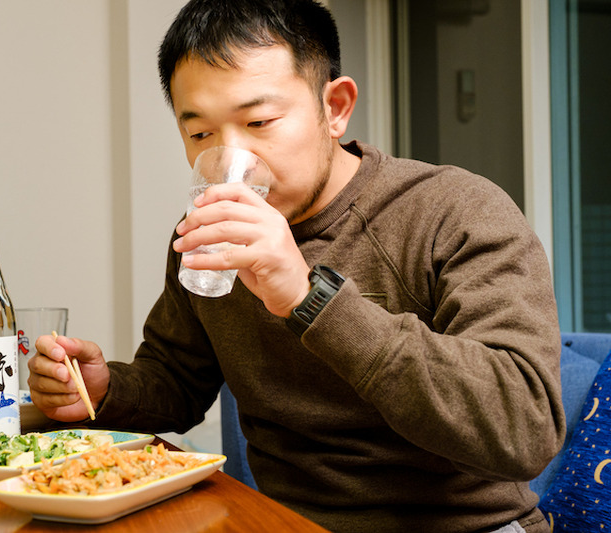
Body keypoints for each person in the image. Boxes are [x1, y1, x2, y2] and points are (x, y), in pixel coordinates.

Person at [28, 1, 564, 531]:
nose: (233, 159)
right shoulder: (210, 230)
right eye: (200, 134)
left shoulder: (454, 211)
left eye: (259, 121)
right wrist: (104, 390)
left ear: (335, 108)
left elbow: (525, 430)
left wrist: (310, 297)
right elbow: (176, 380)